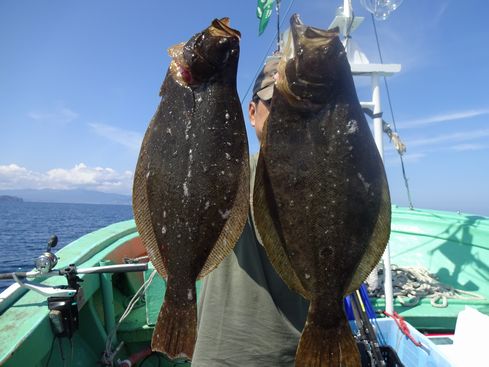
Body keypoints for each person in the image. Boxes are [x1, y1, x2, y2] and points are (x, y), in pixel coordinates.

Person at [191, 56, 309, 367]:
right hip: (222, 357)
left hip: (299, 354)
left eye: (296, 108)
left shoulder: (324, 184)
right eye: (276, 104)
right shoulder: (230, 171)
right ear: (252, 113)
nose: (286, 116)